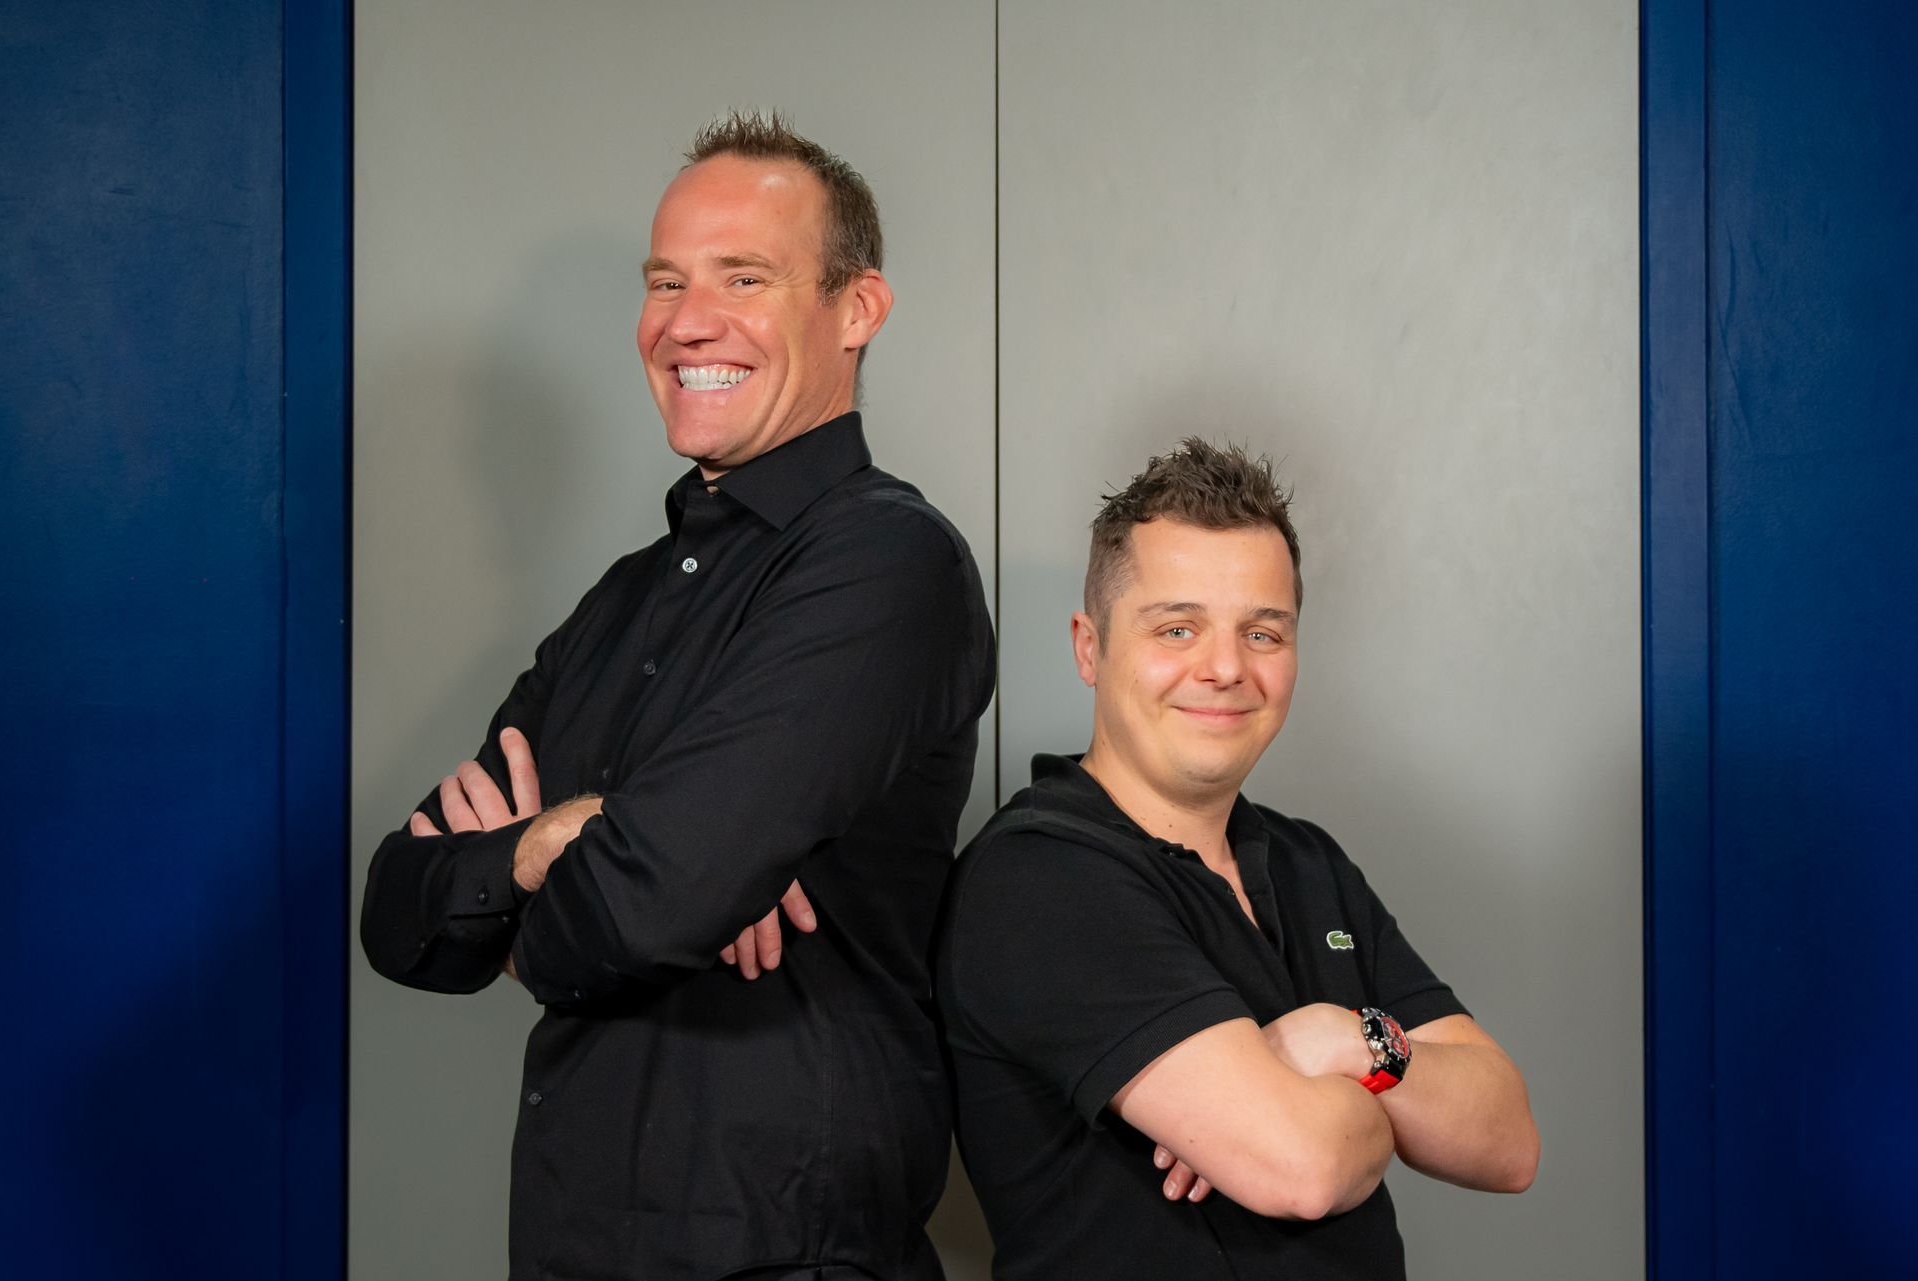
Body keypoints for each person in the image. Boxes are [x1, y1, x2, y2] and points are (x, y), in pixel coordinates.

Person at [361, 111, 994, 1281]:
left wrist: (602, 876)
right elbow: (399, 920)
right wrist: (565, 839)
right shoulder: (620, 602)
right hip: (571, 1245)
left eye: (743, 277)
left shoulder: (886, 565)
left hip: (786, 1259)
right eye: (665, 281)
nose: (686, 323)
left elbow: (644, 905)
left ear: (856, 310)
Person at [933, 439, 1538, 1280]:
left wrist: (1341, 1039)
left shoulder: (1305, 861)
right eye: (1177, 627)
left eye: (1263, 632)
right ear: (1088, 646)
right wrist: (1386, 1105)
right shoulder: (1040, 874)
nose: (1225, 668)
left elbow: (1506, 1138)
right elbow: (1303, 1166)